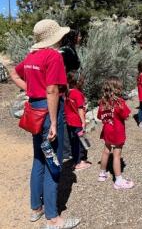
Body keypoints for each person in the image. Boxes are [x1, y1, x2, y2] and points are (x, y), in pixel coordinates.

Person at [10, 19, 80, 228]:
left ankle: (36, 209)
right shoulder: (53, 56)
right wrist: (53, 124)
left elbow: (14, 73)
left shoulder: (32, 56)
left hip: (34, 110)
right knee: (53, 163)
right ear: (55, 37)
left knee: (39, 158)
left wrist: (30, 90)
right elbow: (52, 90)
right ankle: (53, 218)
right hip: (48, 112)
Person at [97, 77, 134, 190]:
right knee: (117, 155)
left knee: (106, 151)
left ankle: (102, 174)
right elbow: (126, 115)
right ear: (117, 89)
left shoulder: (103, 102)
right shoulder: (119, 102)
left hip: (107, 130)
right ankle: (118, 180)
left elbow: (99, 116)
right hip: (117, 132)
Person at [60, 29, 82, 161]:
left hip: (70, 87)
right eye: (79, 36)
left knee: (68, 116)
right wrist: (66, 85)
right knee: (65, 117)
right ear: (73, 37)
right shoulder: (66, 50)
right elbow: (63, 68)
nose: (80, 38)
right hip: (66, 88)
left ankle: (70, 148)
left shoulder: (70, 49)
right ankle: (66, 151)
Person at [64, 71, 91, 171]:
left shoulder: (68, 92)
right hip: (77, 122)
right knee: (81, 141)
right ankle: (80, 162)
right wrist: (83, 122)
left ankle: (76, 161)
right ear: (78, 82)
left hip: (69, 121)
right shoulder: (77, 94)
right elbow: (80, 108)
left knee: (74, 141)